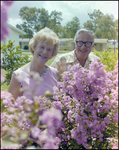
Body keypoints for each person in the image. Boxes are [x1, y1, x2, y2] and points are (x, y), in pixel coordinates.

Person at [8, 27, 60, 100]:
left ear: (52, 53)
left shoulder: (55, 74)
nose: (45, 52)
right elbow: (10, 107)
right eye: (42, 47)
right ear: (34, 47)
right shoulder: (18, 76)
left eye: (49, 49)